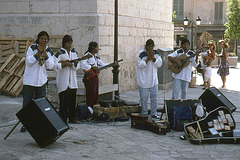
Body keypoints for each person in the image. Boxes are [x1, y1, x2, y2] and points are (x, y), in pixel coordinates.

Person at [21, 31, 55, 132]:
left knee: (41, 104)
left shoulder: (49, 50)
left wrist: (45, 55)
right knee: (27, 104)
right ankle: (26, 124)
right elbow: (29, 61)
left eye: (46, 39)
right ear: (38, 39)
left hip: (41, 80)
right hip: (30, 80)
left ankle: (38, 124)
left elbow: (50, 66)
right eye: (42, 39)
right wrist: (37, 53)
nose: (44, 41)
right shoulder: (32, 48)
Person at [54, 35, 80, 124]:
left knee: (72, 101)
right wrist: (64, 64)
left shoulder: (74, 53)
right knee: (63, 101)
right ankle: (63, 119)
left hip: (72, 80)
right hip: (63, 80)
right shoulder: (59, 53)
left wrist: (75, 64)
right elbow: (55, 65)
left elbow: (77, 66)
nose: (69, 45)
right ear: (64, 43)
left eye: (70, 43)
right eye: (68, 43)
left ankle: (72, 117)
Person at [136, 39, 162, 118]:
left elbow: (159, 64)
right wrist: (147, 59)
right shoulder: (141, 53)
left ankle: (154, 113)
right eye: (148, 47)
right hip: (144, 80)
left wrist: (153, 58)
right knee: (144, 98)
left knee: (154, 98)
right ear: (146, 46)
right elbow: (140, 65)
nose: (150, 48)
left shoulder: (156, 53)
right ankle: (144, 112)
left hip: (153, 80)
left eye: (151, 47)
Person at [81, 42, 110, 108]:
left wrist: (111, 64)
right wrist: (91, 67)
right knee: (90, 95)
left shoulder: (96, 57)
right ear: (93, 49)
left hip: (95, 78)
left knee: (95, 95)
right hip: (89, 78)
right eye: (97, 47)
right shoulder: (87, 56)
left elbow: (102, 64)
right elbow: (83, 65)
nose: (98, 49)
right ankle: (89, 110)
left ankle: (94, 109)